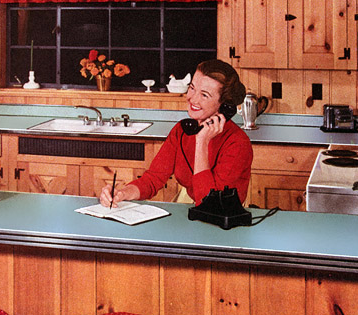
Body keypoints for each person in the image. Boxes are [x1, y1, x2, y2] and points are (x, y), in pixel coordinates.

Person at [100, 59, 253, 207]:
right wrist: (122, 193)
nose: (192, 98)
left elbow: (209, 203)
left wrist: (201, 142)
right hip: (192, 209)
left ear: (225, 105)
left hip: (224, 215)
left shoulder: (237, 143)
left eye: (204, 95)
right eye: (192, 88)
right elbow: (153, 178)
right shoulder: (181, 131)